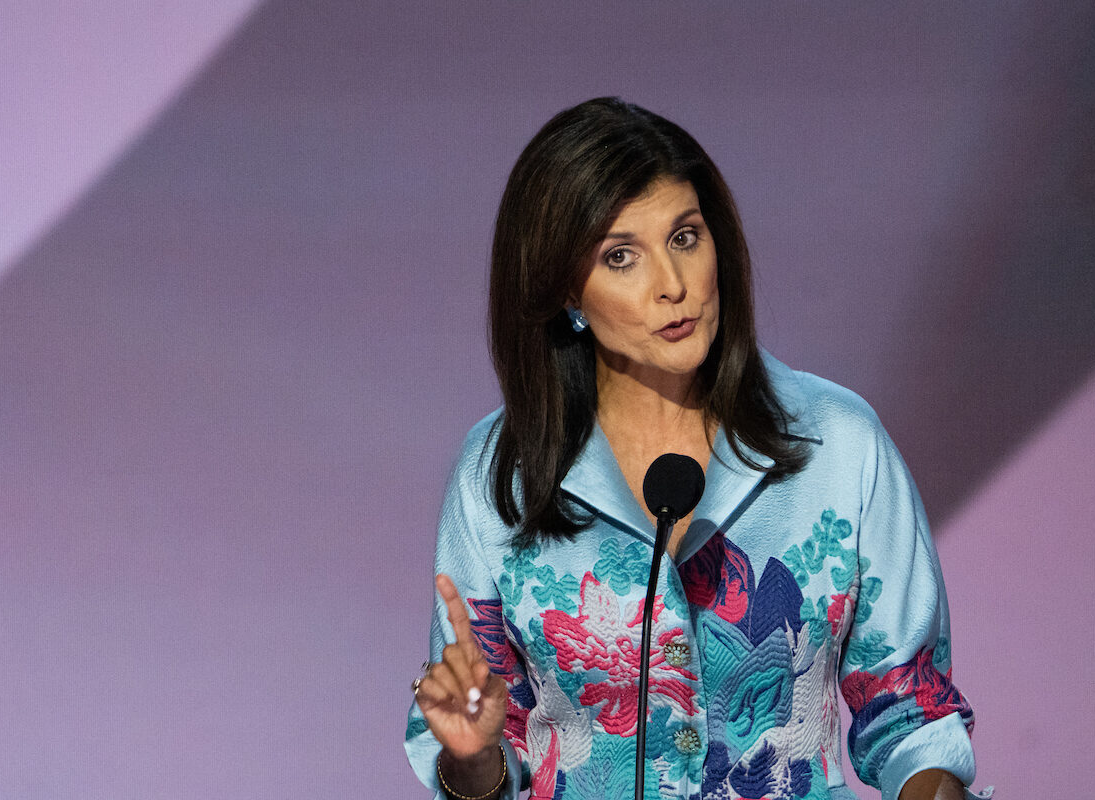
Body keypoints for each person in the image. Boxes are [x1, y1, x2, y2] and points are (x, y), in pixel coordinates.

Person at [404, 98, 986, 800]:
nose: (672, 286)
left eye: (685, 238)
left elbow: (911, 715)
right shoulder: (503, 475)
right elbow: (488, 750)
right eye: (622, 257)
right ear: (566, 290)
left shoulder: (837, 444)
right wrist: (471, 759)